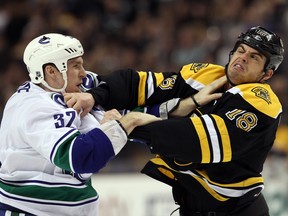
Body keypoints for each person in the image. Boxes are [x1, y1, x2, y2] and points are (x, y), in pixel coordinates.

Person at [64, 26, 284, 216]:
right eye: (241, 50)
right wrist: (94, 95)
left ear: (267, 74)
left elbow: (192, 142)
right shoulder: (205, 75)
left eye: (254, 57)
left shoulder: (261, 103)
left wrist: (128, 124)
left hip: (237, 211)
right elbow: (139, 84)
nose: (243, 57)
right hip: (190, 207)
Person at [0, 33, 161, 216]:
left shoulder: (70, 91)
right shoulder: (34, 107)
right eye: (76, 66)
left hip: (67, 208)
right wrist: (125, 123)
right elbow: (82, 157)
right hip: (31, 210)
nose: (84, 73)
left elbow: (123, 104)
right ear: (51, 71)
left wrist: (185, 107)